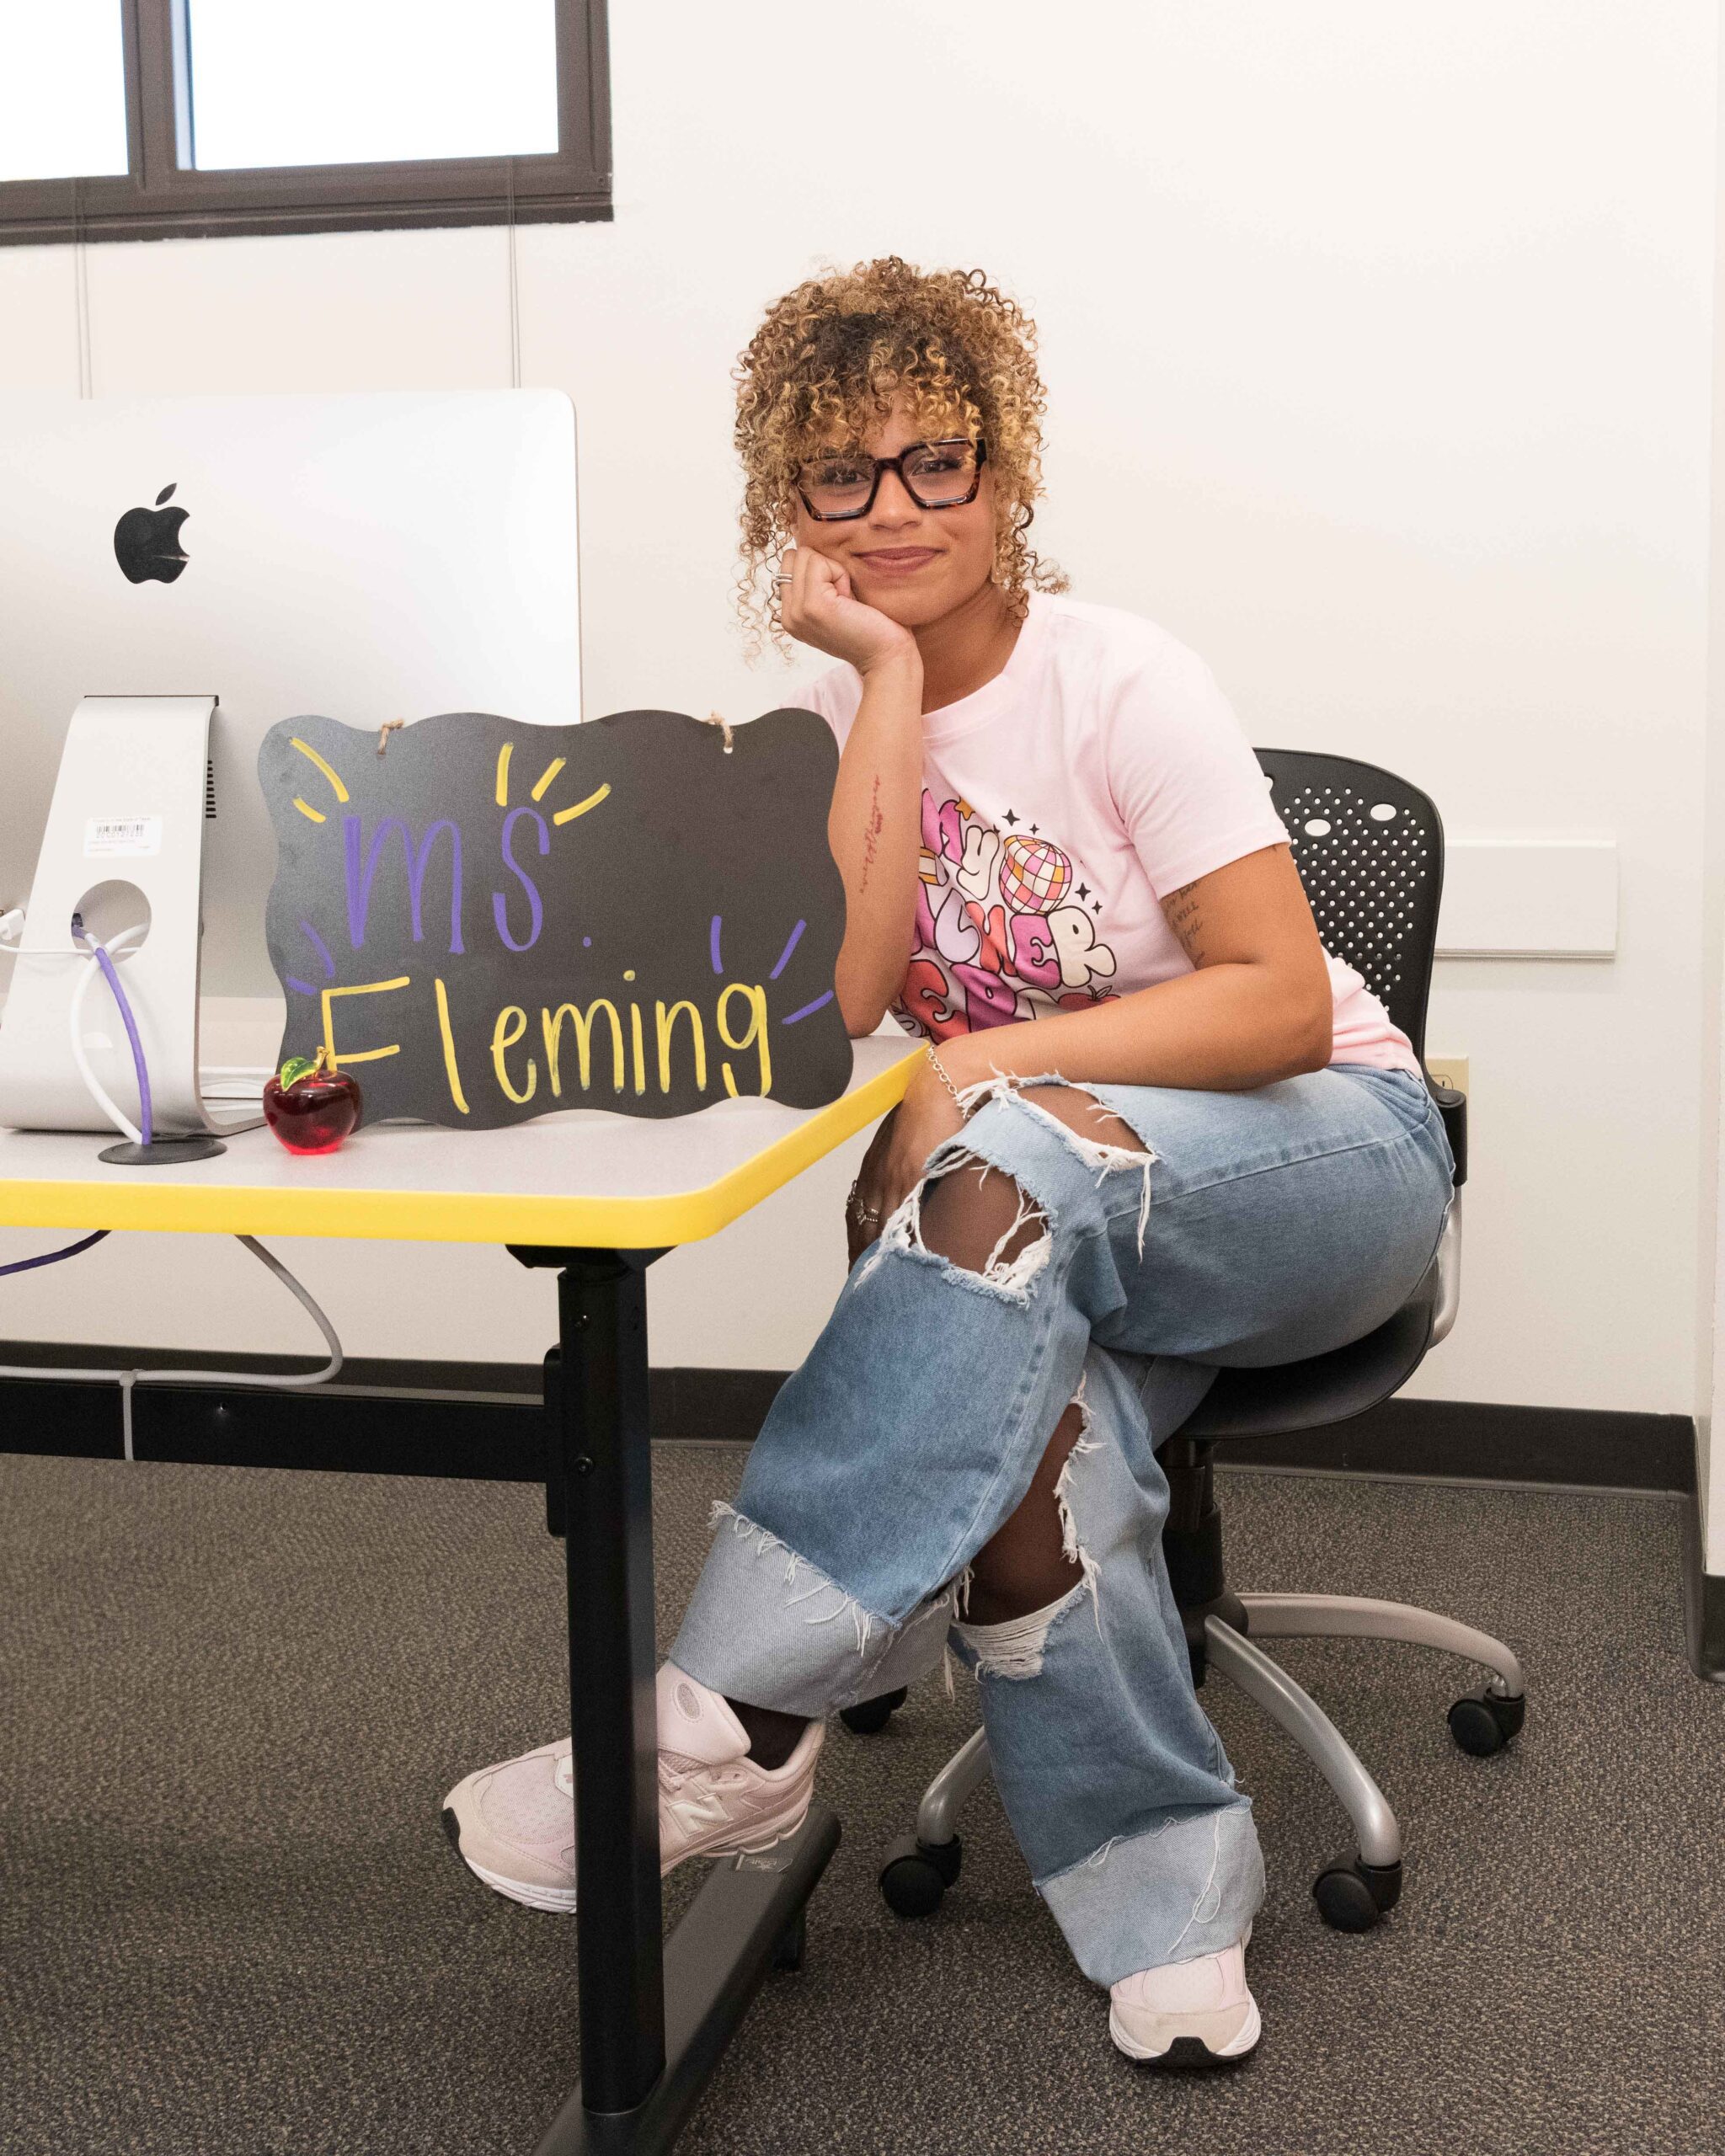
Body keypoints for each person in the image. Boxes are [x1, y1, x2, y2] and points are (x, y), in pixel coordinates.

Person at [443, 256, 1453, 2066]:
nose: (896, 505)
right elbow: (841, 1001)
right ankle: (1165, 1902)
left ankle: (730, 1717)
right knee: (1030, 1453)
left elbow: (1283, 1002)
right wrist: (891, 680)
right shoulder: (838, 723)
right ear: (788, 505)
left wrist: (986, 1057)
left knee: (1002, 1159)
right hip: (1047, 1216)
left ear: (1009, 475)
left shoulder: (1121, 674)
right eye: (843, 472)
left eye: (937, 461)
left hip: (1326, 1170)